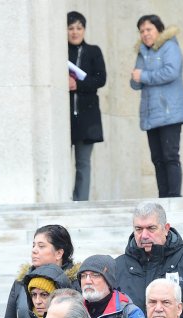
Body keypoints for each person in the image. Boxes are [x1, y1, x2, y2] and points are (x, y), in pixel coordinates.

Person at [114, 202, 183, 313]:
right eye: (138, 229)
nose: (144, 235)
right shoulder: (117, 267)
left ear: (166, 228)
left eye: (151, 228)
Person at [130, 14, 183, 198]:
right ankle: (163, 197)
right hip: (151, 115)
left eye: (149, 29)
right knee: (157, 159)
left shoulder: (170, 46)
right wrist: (137, 78)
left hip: (169, 113)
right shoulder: (142, 52)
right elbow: (135, 81)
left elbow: (171, 72)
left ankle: (174, 197)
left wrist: (144, 76)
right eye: (142, 31)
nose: (145, 34)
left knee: (170, 157)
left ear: (159, 30)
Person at [4, 224, 78, 318]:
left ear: (59, 253)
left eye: (41, 246)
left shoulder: (75, 282)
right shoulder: (21, 282)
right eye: (33, 245)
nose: (34, 250)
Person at [68, 10, 106, 201]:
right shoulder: (60, 52)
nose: (75, 32)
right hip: (65, 118)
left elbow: (101, 79)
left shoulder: (93, 51)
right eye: (71, 28)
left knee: (83, 163)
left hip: (86, 118)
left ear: (84, 30)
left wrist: (78, 85)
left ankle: (80, 201)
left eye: (79, 28)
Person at [78, 254, 147, 318]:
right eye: (83, 276)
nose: (87, 281)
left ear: (109, 281)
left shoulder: (130, 314)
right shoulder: (73, 310)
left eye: (95, 275)